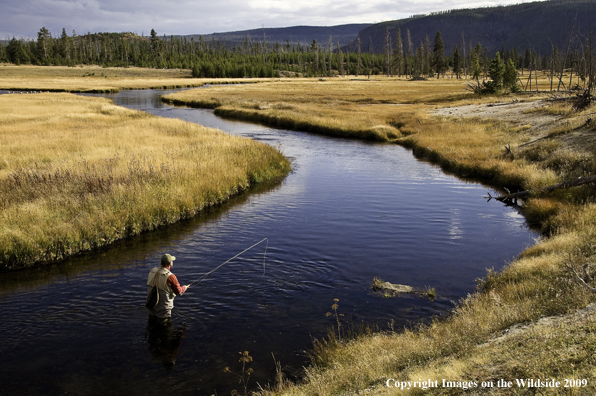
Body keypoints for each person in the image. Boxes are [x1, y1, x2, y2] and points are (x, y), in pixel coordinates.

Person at [146, 253, 188, 320]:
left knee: (152, 320)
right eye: (172, 261)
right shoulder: (171, 276)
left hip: (151, 302)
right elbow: (178, 291)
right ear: (170, 263)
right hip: (163, 307)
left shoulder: (152, 271)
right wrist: (184, 288)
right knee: (165, 325)